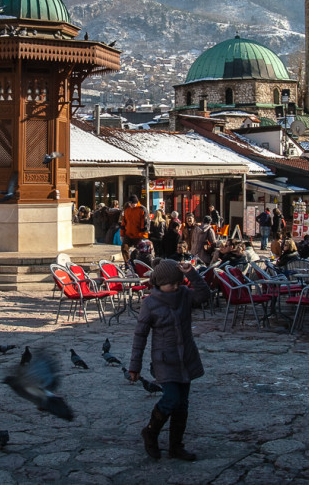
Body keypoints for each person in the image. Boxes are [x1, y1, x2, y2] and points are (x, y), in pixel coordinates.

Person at [128, 259, 210, 461]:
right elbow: (140, 336)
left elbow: (204, 295)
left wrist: (191, 273)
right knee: (171, 399)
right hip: (165, 360)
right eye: (170, 284)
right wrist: (135, 366)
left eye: (177, 282)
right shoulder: (150, 304)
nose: (174, 287)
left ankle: (176, 446)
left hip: (186, 358)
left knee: (182, 405)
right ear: (158, 283)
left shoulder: (183, 295)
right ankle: (151, 431)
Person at [120, 195, 149, 265]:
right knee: (124, 247)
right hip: (128, 234)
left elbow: (145, 224)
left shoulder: (142, 209)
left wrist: (144, 236)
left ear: (135, 203)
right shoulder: (127, 209)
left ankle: (138, 264)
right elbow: (124, 223)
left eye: (131, 203)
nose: (130, 205)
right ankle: (127, 264)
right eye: (129, 203)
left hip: (139, 235)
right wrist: (122, 234)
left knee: (138, 251)